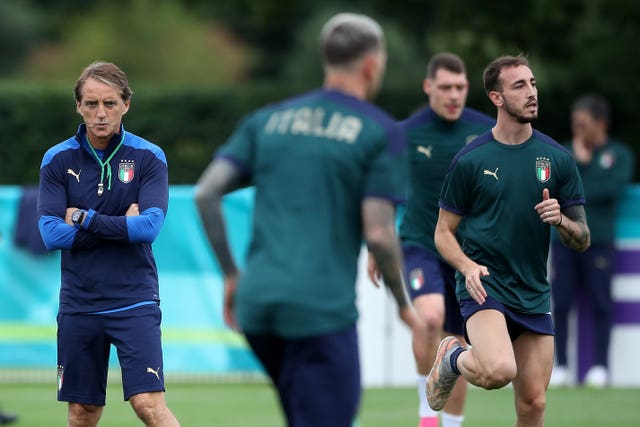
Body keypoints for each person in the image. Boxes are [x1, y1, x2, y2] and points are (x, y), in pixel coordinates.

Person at [195, 13, 421, 427]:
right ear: (372, 65)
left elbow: (206, 193)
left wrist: (231, 275)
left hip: (258, 308)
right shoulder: (379, 130)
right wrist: (404, 304)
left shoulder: (266, 120)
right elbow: (379, 233)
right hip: (320, 312)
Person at [427, 54, 591, 426]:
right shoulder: (470, 160)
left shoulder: (557, 159)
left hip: (533, 290)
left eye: (533, 84)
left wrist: (562, 221)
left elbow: (582, 238)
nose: (532, 92)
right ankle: (453, 355)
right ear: (496, 97)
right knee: (500, 370)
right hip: (485, 286)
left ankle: (456, 356)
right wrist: (467, 266)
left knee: (533, 405)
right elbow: (442, 233)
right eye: (519, 85)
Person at [37, 61, 180, 427]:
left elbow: (148, 228)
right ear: (79, 106)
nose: (101, 114)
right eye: (91, 104)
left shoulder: (150, 157)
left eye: (110, 104)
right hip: (80, 303)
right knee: (82, 413)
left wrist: (84, 218)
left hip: (134, 299)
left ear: (126, 104)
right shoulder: (56, 159)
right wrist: (122, 223)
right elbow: (51, 234)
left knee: (148, 404)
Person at [370, 52, 494, 427]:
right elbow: (385, 188)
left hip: (466, 255)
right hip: (419, 244)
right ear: (429, 88)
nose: (453, 95)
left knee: (458, 341)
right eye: (445, 87)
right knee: (429, 319)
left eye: (460, 87)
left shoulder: (487, 132)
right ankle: (427, 418)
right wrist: (379, 243)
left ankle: (452, 425)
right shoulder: (404, 133)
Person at [549, 95, 635, 388]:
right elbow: (553, 190)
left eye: (583, 124)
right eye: (575, 124)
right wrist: (578, 167)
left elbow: (608, 189)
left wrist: (583, 168)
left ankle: (600, 366)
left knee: (601, 301)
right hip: (563, 239)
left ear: (600, 124)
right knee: (560, 302)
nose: (578, 130)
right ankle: (560, 365)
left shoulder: (619, 155)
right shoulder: (562, 153)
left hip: (598, 241)